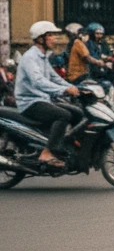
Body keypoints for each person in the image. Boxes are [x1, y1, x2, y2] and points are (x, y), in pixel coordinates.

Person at [15, 21, 82, 167]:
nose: (54, 39)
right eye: (50, 35)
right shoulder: (30, 58)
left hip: (43, 100)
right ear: (40, 39)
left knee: (77, 112)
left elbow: (54, 77)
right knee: (63, 115)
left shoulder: (43, 57)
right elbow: (38, 82)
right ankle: (47, 152)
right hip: (30, 103)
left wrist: (74, 88)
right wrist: (63, 90)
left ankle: (68, 146)